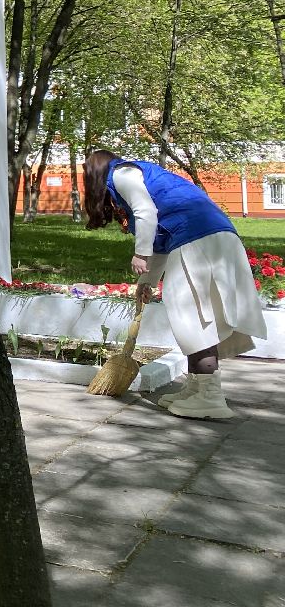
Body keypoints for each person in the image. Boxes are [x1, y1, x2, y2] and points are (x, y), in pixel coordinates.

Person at [83, 150, 266, 419]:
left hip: (197, 239)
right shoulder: (142, 174)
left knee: (193, 318)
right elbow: (161, 240)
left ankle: (209, 396)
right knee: (197, 316)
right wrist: (148, 282)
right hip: (213, 235)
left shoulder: (121, 173)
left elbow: (146, 213)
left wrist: (140, 253)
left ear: (94, 172)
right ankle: (196, 388)